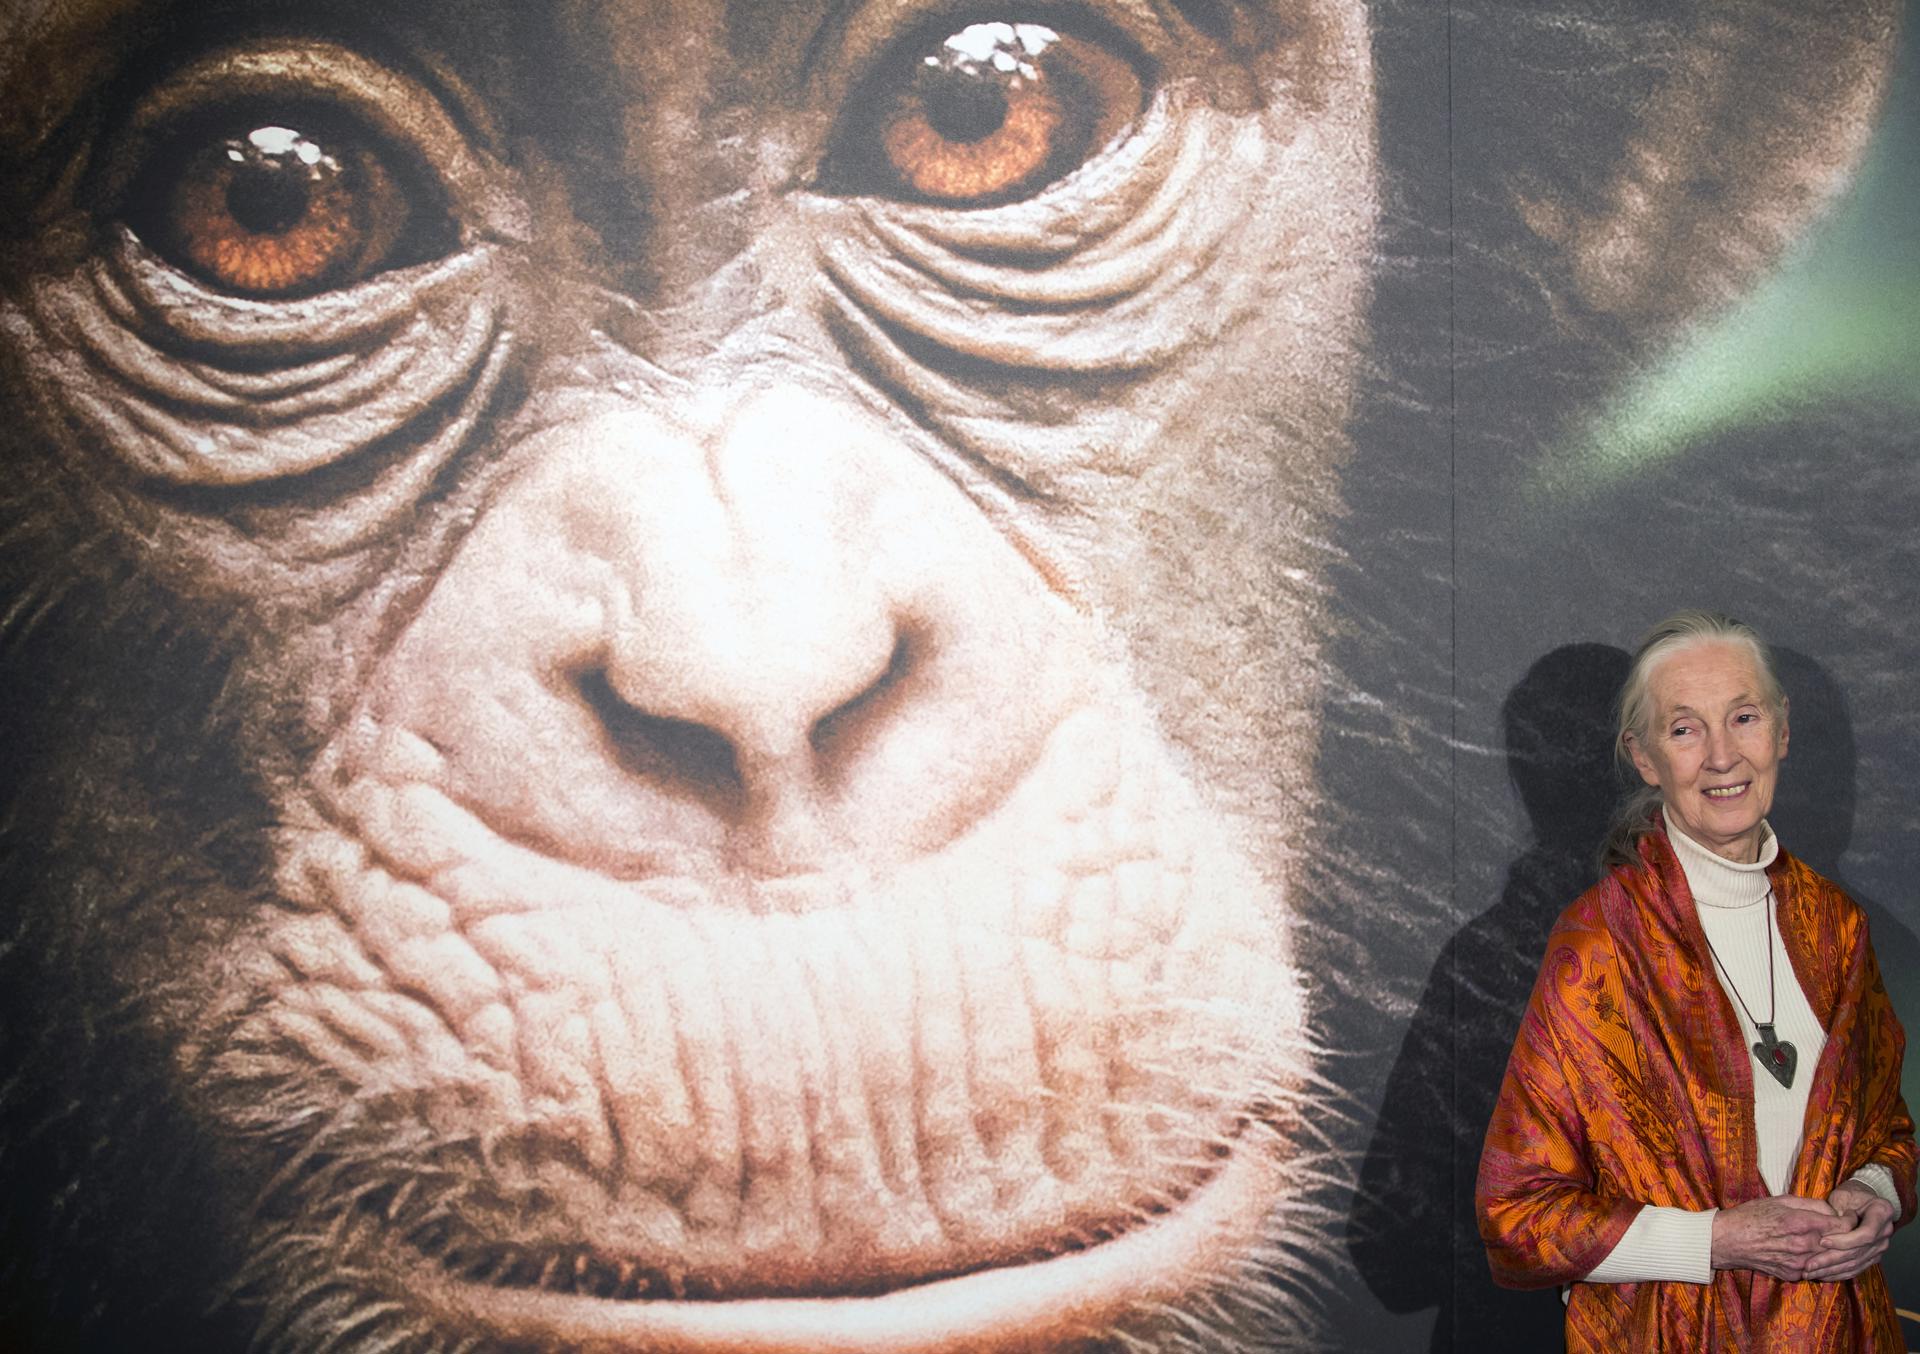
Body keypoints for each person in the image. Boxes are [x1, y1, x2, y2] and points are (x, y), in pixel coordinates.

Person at [1476, 611, 1916, 1349]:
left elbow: (1888, 1135)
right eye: (1684, 729)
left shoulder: (1836, 927)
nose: (1721, 756)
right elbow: (1518, 1216)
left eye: (1742, 717)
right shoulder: (1601, 944)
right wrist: (1717, 1240)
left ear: (1780, 733)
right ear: (1644, 757)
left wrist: (1873, 1196)